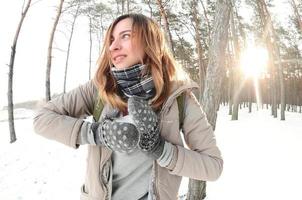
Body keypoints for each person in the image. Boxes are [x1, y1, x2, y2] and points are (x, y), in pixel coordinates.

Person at [33, 13, 223, 200]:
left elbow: (213, 167)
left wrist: (161, 149)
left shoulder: (180, 99)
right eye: (111, 39)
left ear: (150, 41)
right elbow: (42, 118)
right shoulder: (99, 89)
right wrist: (98, 134)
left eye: (125, 36)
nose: (113, 46)